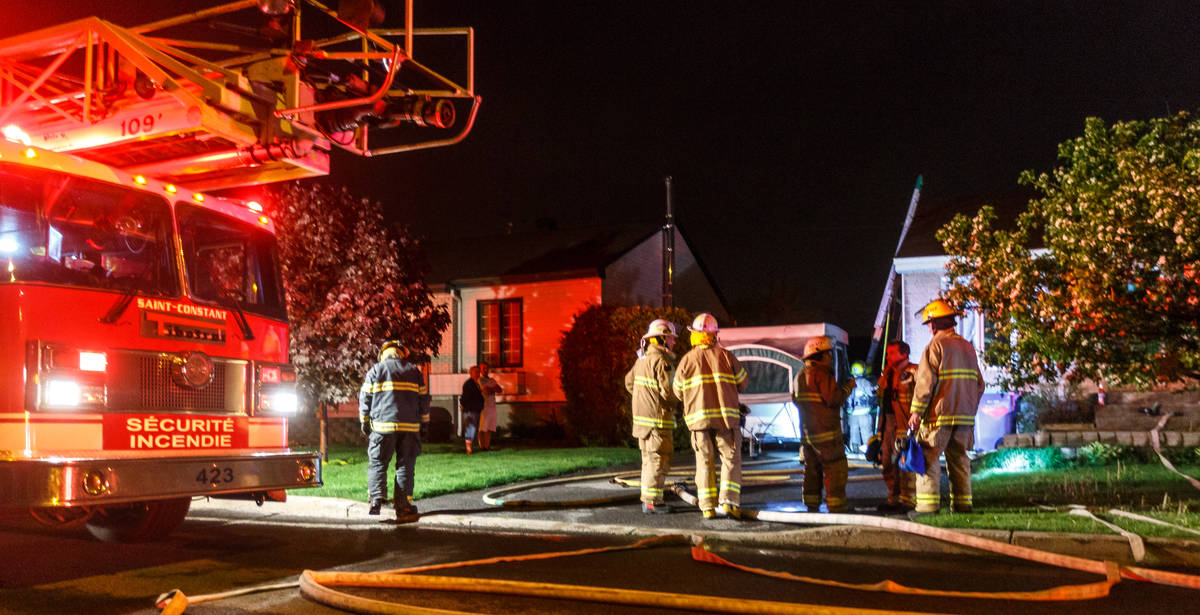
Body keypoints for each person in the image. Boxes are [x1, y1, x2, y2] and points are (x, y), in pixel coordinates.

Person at [907, 299, 985, 516]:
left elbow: (925, 384)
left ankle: (927, 507)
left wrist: (916, 412)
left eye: (929, 324)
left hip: (938, 418)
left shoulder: (935, 346)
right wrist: (969, 408)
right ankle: (962, 505)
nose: (929, 328)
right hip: (964, 418)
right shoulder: (967, 347)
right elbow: (979, 384)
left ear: (933, 324)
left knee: (927, 459)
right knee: (959, 460)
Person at [672, 313, 748, 520]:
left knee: (704, 463)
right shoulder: (727, 356)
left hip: (699, 423)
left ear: (695, 335)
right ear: (714, 335)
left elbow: (677, 391)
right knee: (730, 461)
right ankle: (730, 503)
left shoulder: (687, 360)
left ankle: (707, 507)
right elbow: (743, 382)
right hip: (726, 421)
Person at [359, 339, 430, 521]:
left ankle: (375, 500)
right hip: (410, 427)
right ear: (401, 353)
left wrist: (364, 421)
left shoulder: (376, 370)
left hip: (382, 427)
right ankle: (403, 506)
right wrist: (425, 422)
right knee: (405, 465)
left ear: (384, 353)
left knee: (378, 462)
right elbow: (424, 400)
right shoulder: (414, 371)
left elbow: (365, 398)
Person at [793, 335, 856, 513]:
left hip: (807, 435)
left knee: (811, 470)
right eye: (828, 354)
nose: (830, 357)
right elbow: (834, 399)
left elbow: (796, 401)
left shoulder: (799, 376)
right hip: (827, 435)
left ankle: (811, 503)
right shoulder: (822, 374)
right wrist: (848, 387)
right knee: (835, 468)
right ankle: (836, 506)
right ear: (821, 355)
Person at [624, 319, 680, 514]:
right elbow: (669, 393)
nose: (673, 343)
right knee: (659, 460)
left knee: (648, 460)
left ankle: (648, 499)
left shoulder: (641, 360)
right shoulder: (662, 362)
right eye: (671, 339)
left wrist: (643, 400)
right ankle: (652, 502)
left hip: (642, 422)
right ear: (662, 338)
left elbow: (629, 383)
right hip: (658, 421)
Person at [876, 340, 918, 512]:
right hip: (889, 425)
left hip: (906, 425)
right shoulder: (887, 374)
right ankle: (893, 499)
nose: (887, 357)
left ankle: (909, 501)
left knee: (906, 465)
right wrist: (879, 431)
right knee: (888, 463)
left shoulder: (914, 371)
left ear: (904, 354)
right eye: (887, 354)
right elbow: (882, 402)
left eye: (892, 353)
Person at [844, 361, 877, 456]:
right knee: (866, 432)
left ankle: (855, 450)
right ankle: (870, 451)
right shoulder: (864, 382)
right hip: (864, 414)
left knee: (853, 432)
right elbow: (872, 392)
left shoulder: (849, 382)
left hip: (852, 414)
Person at [477, 361, 503, 450]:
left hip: (492, 406)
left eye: (486, 368)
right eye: (483, 368)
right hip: (483, 406)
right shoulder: (479, 380)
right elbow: (486, 391)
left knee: (489, 427)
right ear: (480, 369)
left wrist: (491, 388)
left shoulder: (491, 380)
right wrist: (493, 388)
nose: (485, 369)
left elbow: (499, 390)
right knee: (482, 427)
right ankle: (482, 446)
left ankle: (487, 446)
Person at [460, 365, 484, 454]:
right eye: (476, 372)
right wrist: (463, 405)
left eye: (479, 372)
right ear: (471, 373)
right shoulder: (469, 384)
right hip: (470, 410)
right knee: (470, 428)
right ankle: (468, 449)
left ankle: (470, 448)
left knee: (473, 428)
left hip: (475, 409)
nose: (478, 374)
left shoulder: (476, 383)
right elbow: (465, 397)